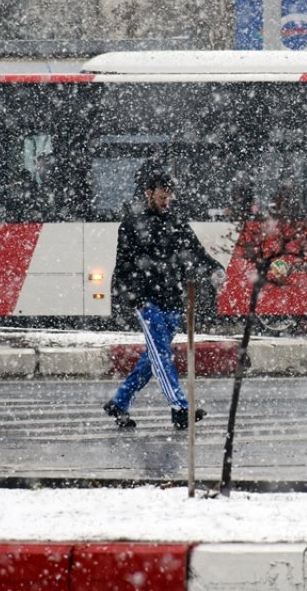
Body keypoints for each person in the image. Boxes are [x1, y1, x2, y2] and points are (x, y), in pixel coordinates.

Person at [103, 169, 225, 429]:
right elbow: (123, 265)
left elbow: (195, 251)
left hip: (172, 298)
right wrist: (135, 298)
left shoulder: (176, 222)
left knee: (153, 358)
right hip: (146, 300)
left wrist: (214, 268)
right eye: (162, 197)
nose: (166, 202)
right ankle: (180, 407)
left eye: (169, 197)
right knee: (162, 354)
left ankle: (119, 402)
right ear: (148, 193)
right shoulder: (132, 223)